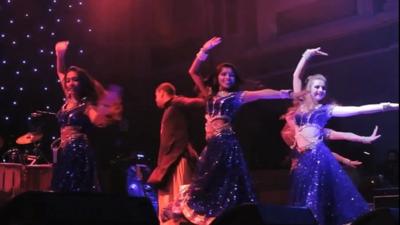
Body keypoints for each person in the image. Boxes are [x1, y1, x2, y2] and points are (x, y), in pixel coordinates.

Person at [166, 37, 292, 225]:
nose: (227, 77)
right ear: (217, 77)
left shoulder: (237, 97)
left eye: (231, 75)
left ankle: (229, 217)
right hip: (212, 146)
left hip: (227, 144)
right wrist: (204, 50)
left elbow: (261, 94)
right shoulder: (209, 95)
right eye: (224, 74)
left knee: (229, 183)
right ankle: (213, 216)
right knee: (208, 181)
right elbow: (193, 71)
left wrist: (283, 93)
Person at [282, 47, 398, 225]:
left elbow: (357, 110)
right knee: (305, 201)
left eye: (323, 88)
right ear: (308, 89)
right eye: (317, 86)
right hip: (302, 161)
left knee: (317, 201)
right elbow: (296, 76)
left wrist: (384, 106)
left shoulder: (326, 110)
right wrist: (306, 56)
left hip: (319, 158)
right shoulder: (299, 103)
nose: (320, 90)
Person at [51, 40, 122, 192]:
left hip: (79, 152)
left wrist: (107, 105)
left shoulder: (86, 105)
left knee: (76, 189)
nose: (70, 83)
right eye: (68, 80)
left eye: (75, 80)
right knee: (62, 188)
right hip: (64, 151)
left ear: (82, 83)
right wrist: (60, 54)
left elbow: (97, 120)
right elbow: (60, 72)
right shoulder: (69, 99)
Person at [147, 82, 205, 225]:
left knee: (180, 204)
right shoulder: (171, 108)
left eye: (156, 96)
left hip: (178, 160)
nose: (155, 100)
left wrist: (204, 97)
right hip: (169, 163)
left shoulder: (175, 102)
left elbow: (197, 103)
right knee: (169, 202)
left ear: (161, 93)